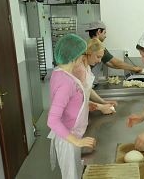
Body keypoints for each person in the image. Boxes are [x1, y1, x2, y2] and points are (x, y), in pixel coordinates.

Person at [47, 34, 96, 179]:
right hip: (68, 139)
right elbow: (52, 120)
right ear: (74, 57)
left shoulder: (59, 73)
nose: (82, 59)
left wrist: (86, 105)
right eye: (81, 55)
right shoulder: (65, 82)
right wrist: (77, 141)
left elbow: (67, 102)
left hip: (70, 135)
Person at [72, 38, 117, 113]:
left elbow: (87, 89)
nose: (100, 61)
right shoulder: (80, 69)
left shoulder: (87, 67)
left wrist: (103, 102)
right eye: (98, 57)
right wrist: (101, 108)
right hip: (73, 114)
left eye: (101, 58)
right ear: (89, 53)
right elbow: (77, 100)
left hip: (80, 112)